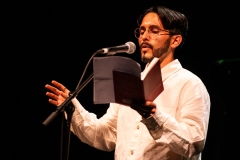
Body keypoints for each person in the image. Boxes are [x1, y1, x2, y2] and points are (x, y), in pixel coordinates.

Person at [45, 6, 210, 160]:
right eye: (142, 31)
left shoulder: (189, 83)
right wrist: (73, 107)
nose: (144, 36)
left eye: (154, 31)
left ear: (175, 40)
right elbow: (105, 134)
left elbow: (194, 143)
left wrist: (154, 116)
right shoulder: (130, 84)